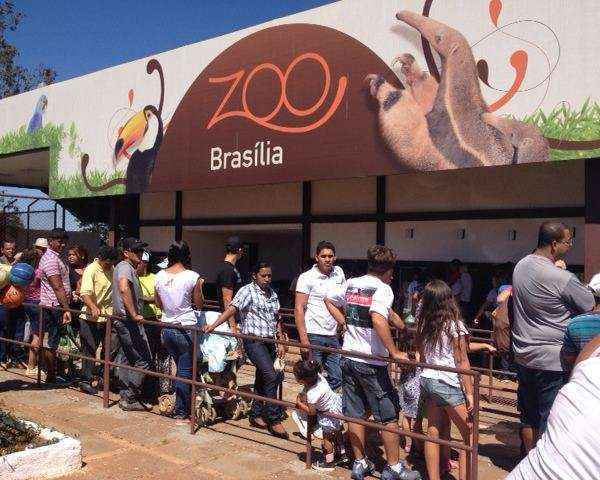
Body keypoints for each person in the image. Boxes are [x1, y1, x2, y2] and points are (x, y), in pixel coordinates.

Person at [325, 245, 420, 480]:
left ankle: (359, 463)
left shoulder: (352, 283)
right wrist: (395, 351)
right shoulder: (384, 288)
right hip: (371, 362)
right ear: (388, 269)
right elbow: (378, 318)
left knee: (355, 414)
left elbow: (329, 300)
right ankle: (394, 468)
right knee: (388, 416)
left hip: (347, 357)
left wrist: (401, 326)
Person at [512, 221, 595, 452]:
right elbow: (589, 303)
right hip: (552, 361)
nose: (570, 246)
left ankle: (528, 462)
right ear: (554, 244)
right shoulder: (561, 277)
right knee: (550, 420)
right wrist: (562, 271)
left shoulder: (520, 266)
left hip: (523, 356)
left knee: (527, 417)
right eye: (568, 242)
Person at [205, 262, 288, 438]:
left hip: (269, 341)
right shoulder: (247, 291)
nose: (267, 279)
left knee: (262, 377)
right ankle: (274, 418)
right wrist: (214, 325)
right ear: (254, 276)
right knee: (271, 375)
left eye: (269, 276)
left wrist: (280, 340)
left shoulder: (272, 293)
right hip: (253, 341)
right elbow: (232, 309)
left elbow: (277, 318)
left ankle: (256, 414)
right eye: (263, 275)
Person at [506, 334, 600, 480]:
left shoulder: (588, 346)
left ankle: (532, 454)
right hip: (552, 363)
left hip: (525, 355)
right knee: (545, 419)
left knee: (531, 419)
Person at [416, 280, 473, 480]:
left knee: (433, 432)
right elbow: (462, 361)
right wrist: (469, 393)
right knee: (470, 435)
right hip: (447, 382)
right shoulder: (455, 326)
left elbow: (422, 356)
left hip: (427, 379)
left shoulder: (423, 324)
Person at [154, 241, 204, 420]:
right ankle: (182, 411)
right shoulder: (193, 276)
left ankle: (181, 404)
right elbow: (198, 304)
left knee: (180, 368)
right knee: (185, 371)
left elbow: (158, 302)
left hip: (167, 327)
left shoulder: (159, 275)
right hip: (186, 327)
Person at [294, 241, 346, 391]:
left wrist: (343, 323)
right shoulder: (306, 277)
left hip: (333, 335)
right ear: (316, 257)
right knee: (312, 377)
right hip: (313, 334)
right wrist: (303, 340)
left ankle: (320, 407)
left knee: (337, 377)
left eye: (330, 256)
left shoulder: (339, 272)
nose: (327, 259)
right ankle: (307, 410)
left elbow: (341, 301)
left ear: (335, 257)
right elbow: (299, 308)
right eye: (323, 256)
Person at [112, 237, 152, 411]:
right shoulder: (125, 267)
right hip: (128, 321)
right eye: (136, 251)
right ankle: (129, 398)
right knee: (143, 360)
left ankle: (125, 395)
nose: (140, 254)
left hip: (124, 320)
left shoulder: (127, 268)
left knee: (128, 358)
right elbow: (123, 288)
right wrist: (134, 314)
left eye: (141, 250)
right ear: (126, 252)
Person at [293, 359, 347, 471]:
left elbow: (311, 411)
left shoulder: (312, 393)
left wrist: (299, 404)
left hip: (328, 414)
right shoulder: (319, 377)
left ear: (302, 380)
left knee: (326, 438)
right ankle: (342, 455)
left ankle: (329, 462)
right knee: (338, 432)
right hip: (336, 406)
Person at [78, 246, 119, 395]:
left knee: (109, 349)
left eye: (111, 263)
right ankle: (85, 380)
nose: (109, 265)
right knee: (89, 348)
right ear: (101, 259)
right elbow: (85, 292)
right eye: (107, 262)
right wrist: (92, 306)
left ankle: (103, 378)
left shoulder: (112, 269)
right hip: (90, 317)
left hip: (107, 316)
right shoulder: (91, 269)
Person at [36, 228, 72, 383]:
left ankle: (53, 372)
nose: (63, 244)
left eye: (64, 241)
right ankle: (51, 375)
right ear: (51, 241)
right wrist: (66, 309)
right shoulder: (51, 260)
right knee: (51, 341)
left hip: (54, 304)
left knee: (52, 341)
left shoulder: (54, 257)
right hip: (54, 305)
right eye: (59, 241)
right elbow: (57, 286)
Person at [18, 248, 43, 377]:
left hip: (25, 302)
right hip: (36, 303)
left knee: (31, 333)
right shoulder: (37, 273)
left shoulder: (20, 272)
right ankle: (32, 365)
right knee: (37, 335)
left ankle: (30, 362)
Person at [215, 236, 244, 333]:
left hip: (234, 318)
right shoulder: (227, 270)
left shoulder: (231, 269)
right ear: (239, 250)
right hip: (231, 321)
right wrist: (233, 325)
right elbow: (227, 299)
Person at [66, 245, 88, 312]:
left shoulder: (89, 269)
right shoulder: (68, 270)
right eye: (69, 255)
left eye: (74, 255)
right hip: (74, 304)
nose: (71, 257)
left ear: (82, 255)